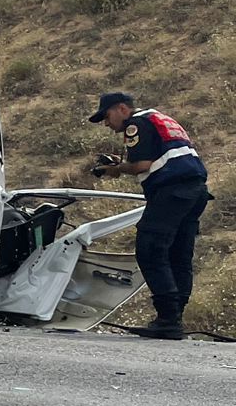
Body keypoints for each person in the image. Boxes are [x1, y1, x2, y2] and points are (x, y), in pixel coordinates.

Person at [88, 90, 214, 338]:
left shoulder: (135, 124)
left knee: (150, 248)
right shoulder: (159, 118)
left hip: (173, 192)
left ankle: (168, 319)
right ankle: (174, 318)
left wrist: (117, 170)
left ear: (122, 109)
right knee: (179, 253)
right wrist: (121, 163)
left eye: (107, 115)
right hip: (195, 191)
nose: (105, 122)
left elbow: (142, 166)